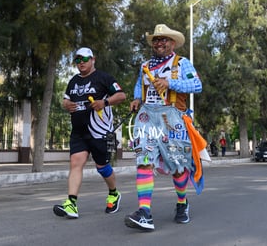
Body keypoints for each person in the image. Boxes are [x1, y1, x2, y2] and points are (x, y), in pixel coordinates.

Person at [125, 24, 203, 231]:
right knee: (143, 159)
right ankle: (144, 213)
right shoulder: (145, 65)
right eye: (156, 40)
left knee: (177, 165)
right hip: (146, 116)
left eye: (163, 39)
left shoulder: (182, 63)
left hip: (172, 117)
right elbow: (138, 85)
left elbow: (197, 85)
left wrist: (170, 83)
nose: (159, 43)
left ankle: (181, 202)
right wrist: (136, 99)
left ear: (172, 43)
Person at [53, 47, 126, 219]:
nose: (81, 63)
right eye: (77, 60)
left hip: (99, 132)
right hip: (78, 132)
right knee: (75, 164)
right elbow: (65, 99)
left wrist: (105, 102)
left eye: (84, 59)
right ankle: (71, 203)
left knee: (102, 167)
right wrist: (66, 105)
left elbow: (121, 95)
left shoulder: (104, 78)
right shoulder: (73, 81)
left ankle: (114, 193)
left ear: (93, 59)